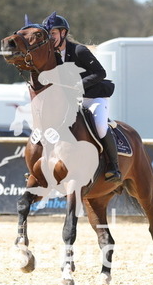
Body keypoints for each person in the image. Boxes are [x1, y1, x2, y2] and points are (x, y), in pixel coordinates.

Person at [42, 12, 121, 183]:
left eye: (53, 33)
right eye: (47, 34)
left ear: (63, 33)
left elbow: (100, 73)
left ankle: (113, 166)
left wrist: (80, 85)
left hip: (93, 98)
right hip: (71, 102)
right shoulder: (51, 55)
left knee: (100, 126)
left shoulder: (79, 51)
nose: (50, 37)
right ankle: (42, 166)